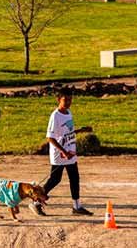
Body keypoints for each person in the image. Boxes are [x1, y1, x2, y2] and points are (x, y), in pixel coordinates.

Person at [29, 87, 93, 216]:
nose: (68, 102)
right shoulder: (55, 116)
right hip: (60, 154)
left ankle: (77, 206)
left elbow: (66, 132)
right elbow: (50, 137)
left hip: (70, 151)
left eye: (70, 99)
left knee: (74, 177)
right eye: (66, 100)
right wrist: (63, 151)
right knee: (55, 179)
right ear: (58, 99)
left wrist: (80, 130)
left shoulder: (68, 112)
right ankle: (36, 202)